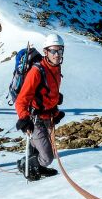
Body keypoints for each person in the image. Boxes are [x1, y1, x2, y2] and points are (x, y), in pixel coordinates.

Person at [15, 34, 66, 179]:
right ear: (46, 52)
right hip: (35, 119)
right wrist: (24, 120)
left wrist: (55, 112)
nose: (57, 55)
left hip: (47, 117)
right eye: (53, 51)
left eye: (60, 51)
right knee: (48, 158)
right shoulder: (37, 71)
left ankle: (38, 169)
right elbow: (21, 100)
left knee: (46, 153)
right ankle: (25, 165)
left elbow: (49, 93)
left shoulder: (56, 68)